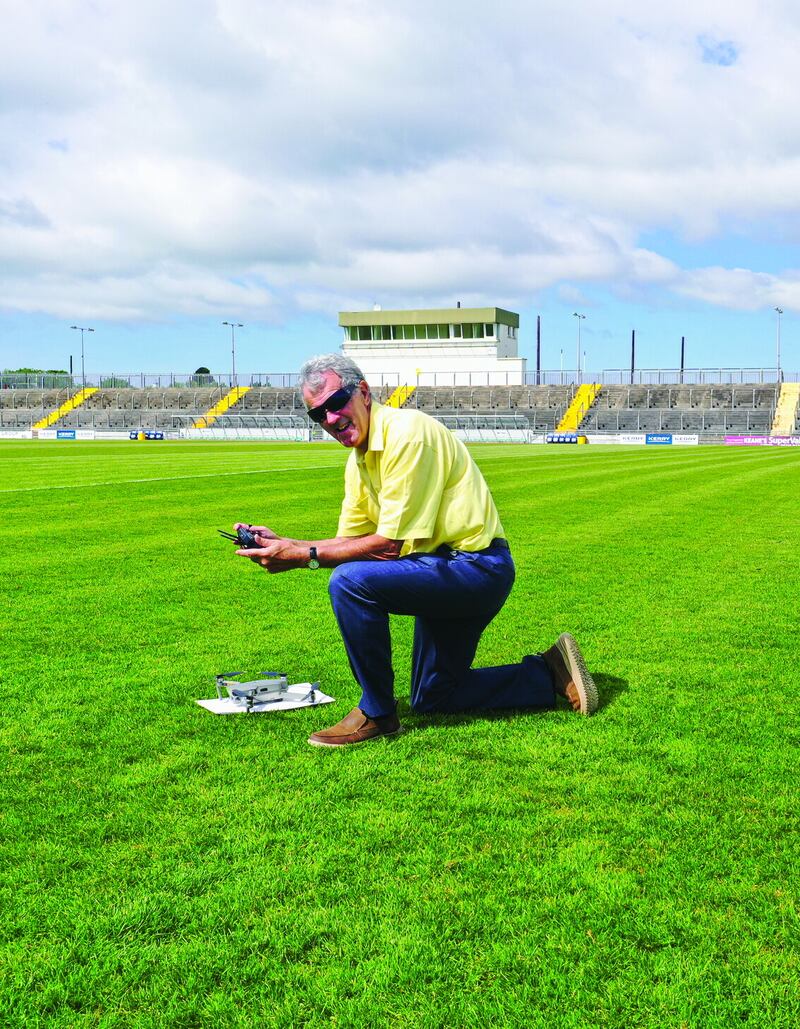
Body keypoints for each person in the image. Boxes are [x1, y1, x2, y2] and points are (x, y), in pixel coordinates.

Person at [235, 353, 598, 747]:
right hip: (440, 568)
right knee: (433, 696)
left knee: (348, 582)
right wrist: (287, 544)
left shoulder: (407, 434)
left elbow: (388, 547)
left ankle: (376, 713)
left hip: (476, 567)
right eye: (317, 415)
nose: (330, 420)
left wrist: (303, 557)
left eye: (336, 404)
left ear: (364, 393)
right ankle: (548, 672)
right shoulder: (359, 460)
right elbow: (351, 542)